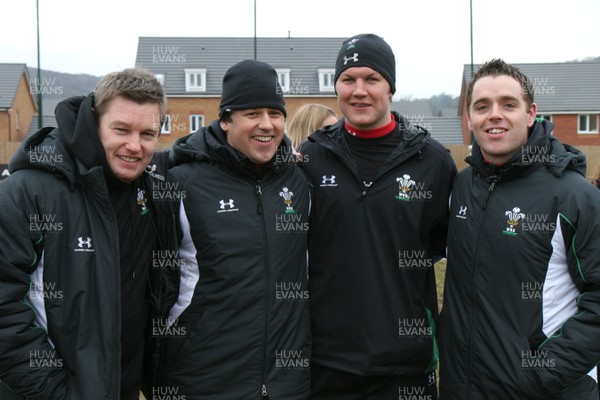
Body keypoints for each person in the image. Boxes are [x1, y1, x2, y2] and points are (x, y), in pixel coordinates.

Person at [298, 33, 457, 399]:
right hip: (327, 362)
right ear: (336, 86)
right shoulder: (311, 157)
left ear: (390, 87)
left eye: (372, 79)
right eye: (348, 79)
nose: (359, 90)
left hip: (404, 365)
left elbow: (442, 246)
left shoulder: (432, 162)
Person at [145, 59, 311, 399]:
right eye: (252, 114)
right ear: (225, 120)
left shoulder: (299, 181)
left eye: (275, 113)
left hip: (286, 382)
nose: (266, 124)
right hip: (205, 379)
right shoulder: (179, 183)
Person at [0, 68, 169, 399]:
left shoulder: (148, 189)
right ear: (93, 121)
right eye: (121, 129)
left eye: (147, 134)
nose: (134, 146)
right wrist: (55, 391)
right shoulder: (27, 192)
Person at [438, 59, 600, 399]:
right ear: (469, 119)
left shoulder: (575, 197)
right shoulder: (463, 186)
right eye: (482, 106)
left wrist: (542, 376)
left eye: (508, 104)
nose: (494, 114)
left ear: (530, 114)